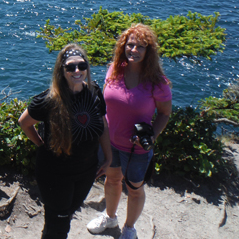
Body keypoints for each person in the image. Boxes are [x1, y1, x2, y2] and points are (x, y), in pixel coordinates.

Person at [87, 24, 172, 239]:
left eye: (140, 46)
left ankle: (129, 227)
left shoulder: (158, 82)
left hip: (137, 149)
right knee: (112, 180)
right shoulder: (114, 68)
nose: (133, 50)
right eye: (130, 44)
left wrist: (152, 135)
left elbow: (164, 113)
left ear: (149, 51)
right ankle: (110, 217)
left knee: (134, 189)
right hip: (109, 142)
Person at [19, 44, 112, 239]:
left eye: (81, 65)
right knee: (59, 225)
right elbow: (24, 122)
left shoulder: (94, 92)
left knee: (66, 214)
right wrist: (41, 145)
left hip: (86, 172)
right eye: (70, 67)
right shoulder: (50, 100)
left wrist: (108, 157)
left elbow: (103, 125)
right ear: (61, 70)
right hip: (56, 175)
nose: (77, 71)